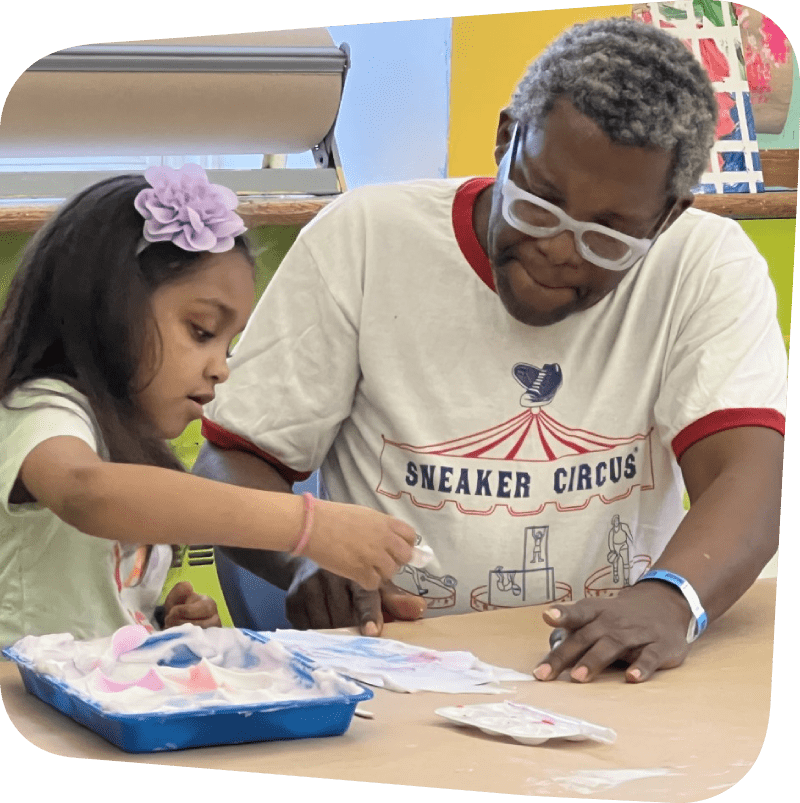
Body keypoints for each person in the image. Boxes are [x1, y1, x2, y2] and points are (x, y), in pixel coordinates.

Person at [195, 17, 786, 683]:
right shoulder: (365, 238)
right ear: (507, 139)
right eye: (538, 204)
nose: (558, 251)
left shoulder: (705, 264)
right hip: (394, 665)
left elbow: (748, 481)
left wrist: (670, 597)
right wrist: (304, 550)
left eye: (607, 237)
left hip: (606, 671)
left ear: (666, 216)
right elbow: (231, 455)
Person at [0, 164, 416, 649]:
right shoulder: (38, 408)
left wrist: (156, 623)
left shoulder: (124, 440)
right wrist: (308, 525)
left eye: (227, 344)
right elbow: (86, 494)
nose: (221, 368)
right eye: (201, 331)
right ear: (106, 306)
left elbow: (80, 602)